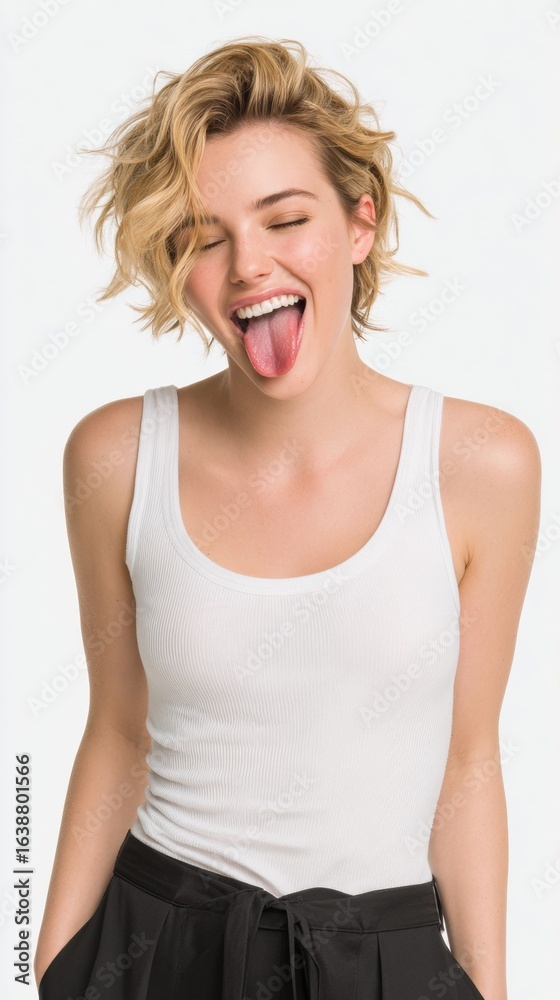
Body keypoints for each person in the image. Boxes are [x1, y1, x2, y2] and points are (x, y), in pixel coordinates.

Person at [34, 36, 541, 1000]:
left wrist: (487, 984)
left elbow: (470, 755)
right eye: (202, 236)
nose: (248, 266)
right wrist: (49, 961)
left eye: (286, 219)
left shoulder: (485, 463)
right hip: (157, 946)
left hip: (383, 957)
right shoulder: (114, 456)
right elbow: (117, 731)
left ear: (359, 224)